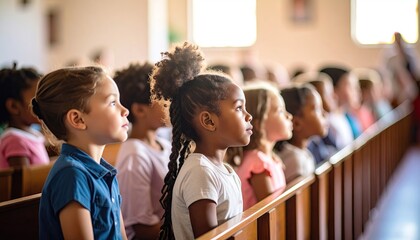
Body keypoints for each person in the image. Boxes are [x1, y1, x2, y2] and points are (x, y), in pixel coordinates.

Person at [150, 42, 253, 239]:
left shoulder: (223, 170)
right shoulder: (200, 172)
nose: (248, 116)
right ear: (208, 120)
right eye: (239, 108)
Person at [33, 66, 129, 239]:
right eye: (113, 103)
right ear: (78, 119)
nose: (125, 110)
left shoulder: (105, 172)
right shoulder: (72, 175)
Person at [113, 62, 171, 240]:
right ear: (139, 110)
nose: (169, 103)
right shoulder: (135, 155)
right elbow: (143, 229)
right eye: (162, 99)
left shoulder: (164, 144)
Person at [226, 83, 292, 210]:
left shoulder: (267, 158)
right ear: (258, 123)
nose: (289, 116)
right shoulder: (258, 164)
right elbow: (271, 212)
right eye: (280, 111)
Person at [274, 84, 328, 183]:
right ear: (297, 123)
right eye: (317, 109)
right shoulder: (294, 160)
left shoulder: (302, 152)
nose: (325, 114)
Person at [0, 64, 49, 169]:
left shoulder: (32, 134)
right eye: (38, 100)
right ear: (14, 106)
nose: (47, 104)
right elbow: (24, 182)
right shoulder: (14, 140)